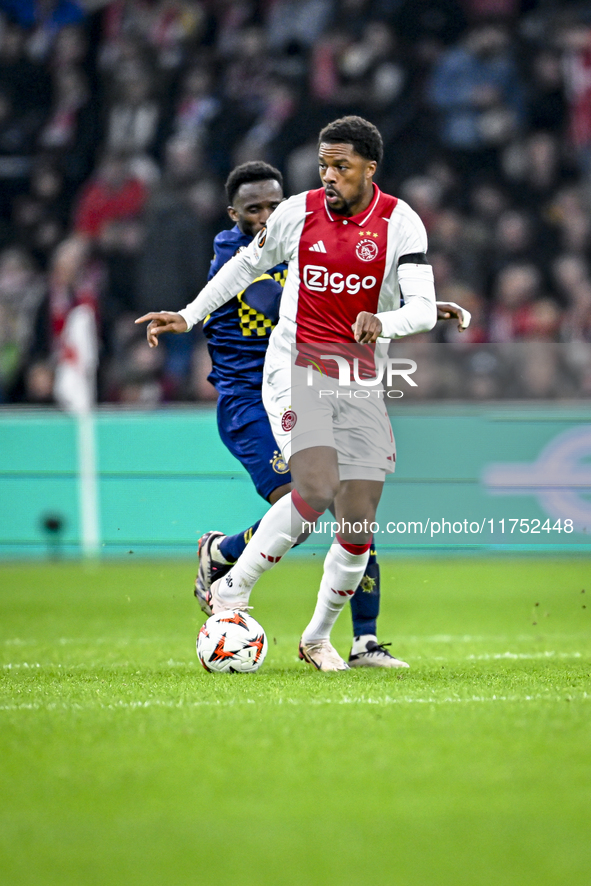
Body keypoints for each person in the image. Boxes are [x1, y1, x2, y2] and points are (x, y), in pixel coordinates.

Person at [137, 115, 468, 671]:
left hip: (360, 378)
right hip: (296, 367)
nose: (329, 175)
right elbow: (245, 266)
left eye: (341, 165)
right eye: (323, 165)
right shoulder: (297, 213)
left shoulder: (401, 223)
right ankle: (232, 590)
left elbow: (415, 307)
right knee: (315, 487)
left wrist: (385, 323)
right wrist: (190, 315)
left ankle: (318, 638)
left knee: (358, 525)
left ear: (369, 167)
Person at [195, 159, 404, 668]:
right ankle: (223, 556)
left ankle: (364, 642)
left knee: (353, 510)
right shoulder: (233, 250)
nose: (265, 215)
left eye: (273, 205)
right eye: (253, 209)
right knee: (306, 503)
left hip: (306, 384)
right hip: (248, 398)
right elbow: (269, 298)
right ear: (233, 214)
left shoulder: (308, 236)